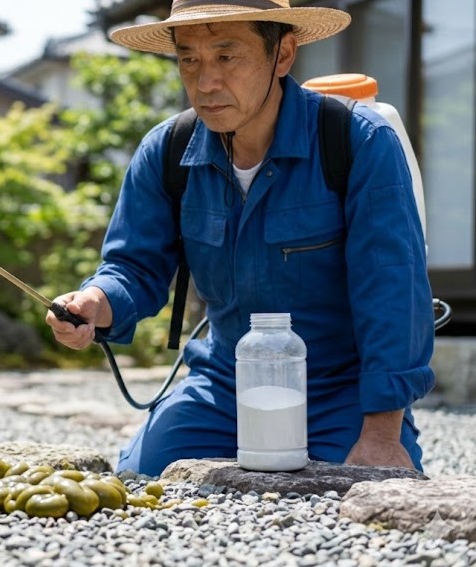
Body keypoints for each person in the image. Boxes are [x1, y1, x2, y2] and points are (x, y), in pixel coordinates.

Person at [46, 0, 435, 477]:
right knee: (143, 479)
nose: (206, 82)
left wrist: (382, 433)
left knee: (355, 491)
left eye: (227, 56)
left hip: (342, 390)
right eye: (189, 59)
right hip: (222, 385)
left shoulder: (360, 141)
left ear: (283, 54)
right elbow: (133, 266)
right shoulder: (166, 151)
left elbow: (394, 290)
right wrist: (96, 301)